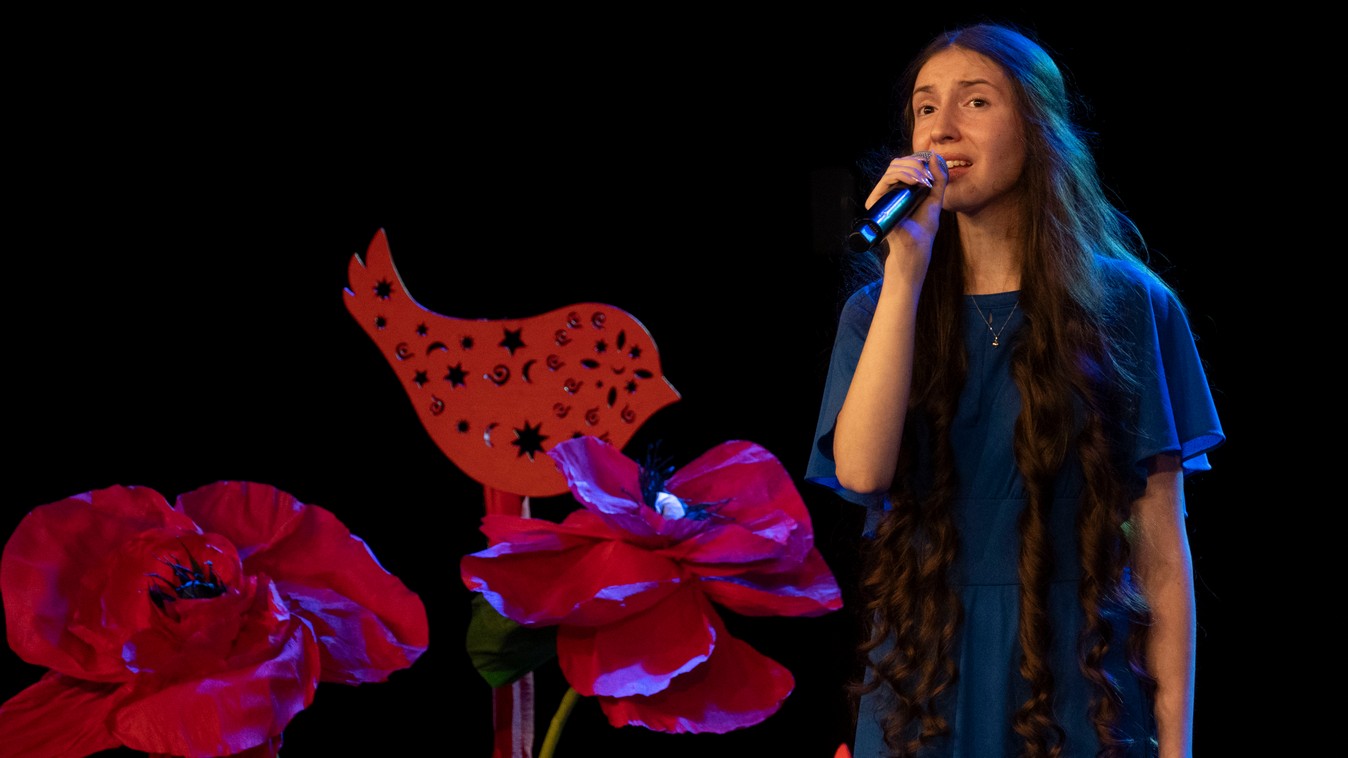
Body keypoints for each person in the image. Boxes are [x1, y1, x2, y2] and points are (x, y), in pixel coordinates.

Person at [805, 22, 1224, 758]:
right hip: (923, 677)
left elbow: (1161, 546)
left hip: (1076, 675)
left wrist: (1177, 743)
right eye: (925, 107)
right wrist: (905, 271)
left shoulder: (1126, 303)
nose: (942, 127)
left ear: (1038, 128)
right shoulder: (877, 313)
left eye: (975, 101)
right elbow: (863, 474)